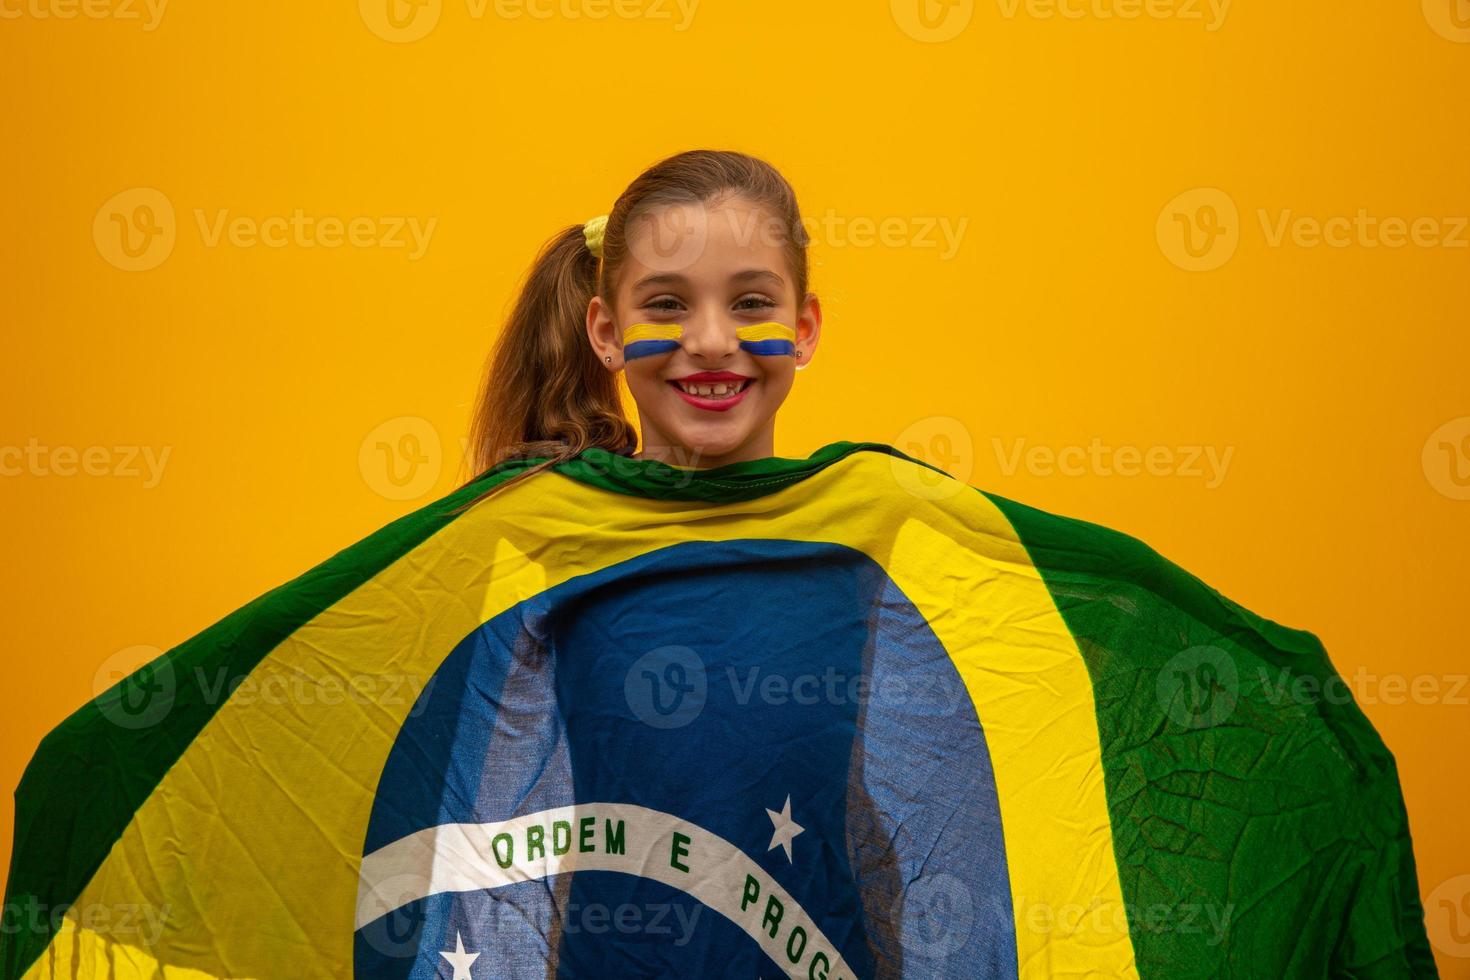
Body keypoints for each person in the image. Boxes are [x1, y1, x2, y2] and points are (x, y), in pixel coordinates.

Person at [1, 150, 1436, 980]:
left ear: (806, 326)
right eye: (666, 306)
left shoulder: (881, 522)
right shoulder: (526, 538)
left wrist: (1265, 703)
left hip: (830, 932)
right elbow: (441, 784)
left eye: (749, 305)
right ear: (606, 326)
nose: (709, 342)